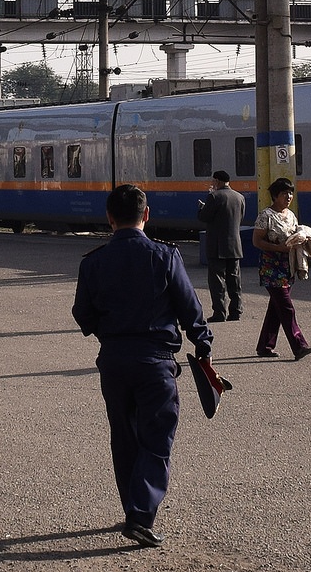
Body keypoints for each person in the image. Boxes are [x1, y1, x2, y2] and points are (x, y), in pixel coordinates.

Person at [72, 184, 213, 549]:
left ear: (109, 218)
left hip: (114, 361)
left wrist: (108, 330)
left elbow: (82, 315)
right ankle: (139, 514)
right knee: (157, 437)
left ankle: (133, 508)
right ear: (146, 215)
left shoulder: (93, 262)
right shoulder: (165, 256)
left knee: (124, 437)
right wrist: (203, 341)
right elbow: (189, 305)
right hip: (156, 363)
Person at [252, 178, 311, 360]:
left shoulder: (290, 215)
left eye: (290, 193)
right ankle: (299, 346)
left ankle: (265, 346)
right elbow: (257, 241)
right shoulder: (265, 215)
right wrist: (279, 248)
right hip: (271, 269)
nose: (289, 196)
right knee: (286, 307)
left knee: (276, 308)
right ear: (275, 196)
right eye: (284, 193)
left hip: (287, 266)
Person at [196, 170, 246, 321]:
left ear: (217, 181)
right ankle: (236, 311)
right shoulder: (240, 197)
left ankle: (219, 313)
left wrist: (201, 208)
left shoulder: (214, 196)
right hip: (235, 245)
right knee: (234, 280)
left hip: (217, 245)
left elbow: (204, 216)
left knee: (217, 281)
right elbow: (240, 217)